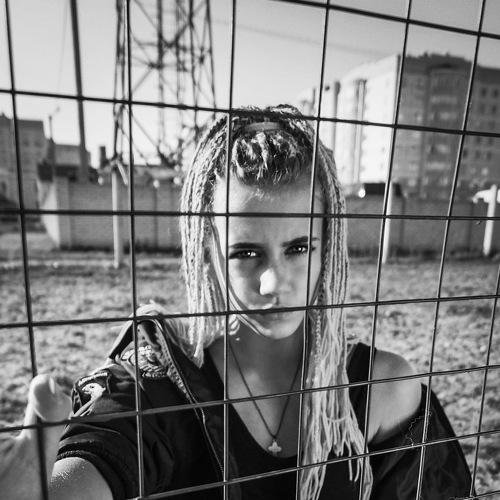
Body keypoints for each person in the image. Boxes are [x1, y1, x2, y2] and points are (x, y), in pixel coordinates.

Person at [1, 105, 472, 500]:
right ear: (207, 253)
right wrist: (32, 480)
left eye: (298, 247)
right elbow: (85, 474)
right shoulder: (158, 389)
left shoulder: (382, 389)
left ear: (327, 246)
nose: (273, 282)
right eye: (246, 253)